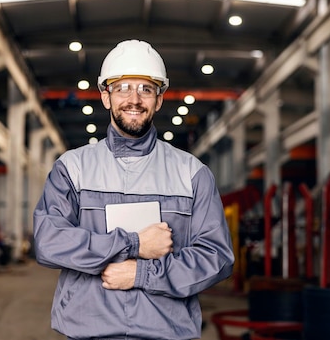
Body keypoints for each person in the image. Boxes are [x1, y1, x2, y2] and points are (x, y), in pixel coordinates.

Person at [33, 39, 234, 340]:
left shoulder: (191, 173)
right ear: (106, 96)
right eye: (123, 88)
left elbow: (216, 257)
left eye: (146, 89)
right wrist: (133, 244)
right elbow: (49, 242)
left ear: (159, 99)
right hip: (90, 330)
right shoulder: (72, 169)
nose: (134, 99)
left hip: (165, 332)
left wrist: (141, 274)